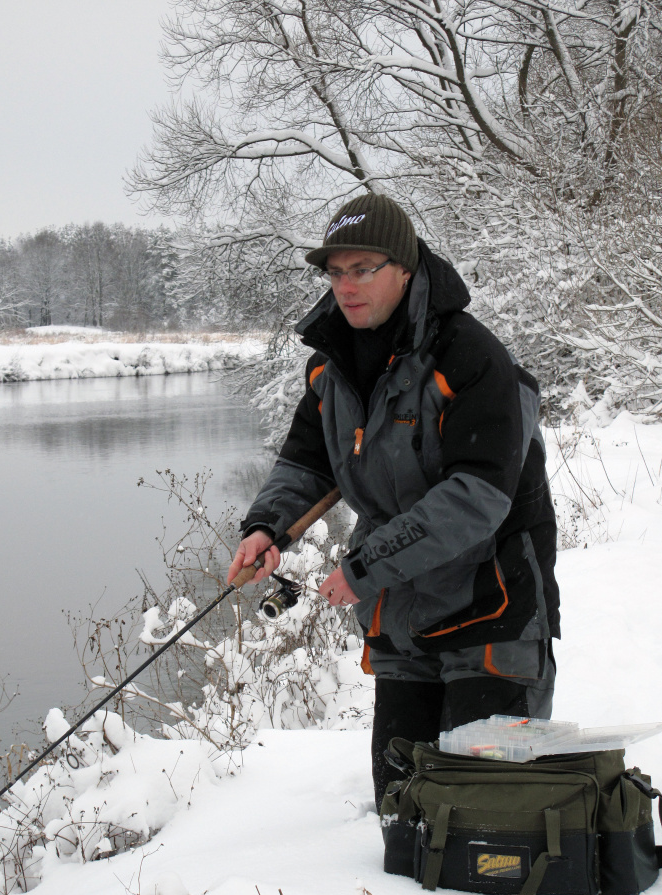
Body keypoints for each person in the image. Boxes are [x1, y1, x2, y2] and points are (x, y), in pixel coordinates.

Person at [227, 193, 560, 810]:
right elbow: (307, 460)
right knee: (402, 813)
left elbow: (476, 499)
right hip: (402, 623)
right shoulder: (331, 367)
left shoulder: (471, 357)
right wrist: (266, 526)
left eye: (363, 269)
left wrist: (364, 568)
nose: (346, 286)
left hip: (493, 613)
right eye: (335, 271)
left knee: (489, 817)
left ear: (404, 269)